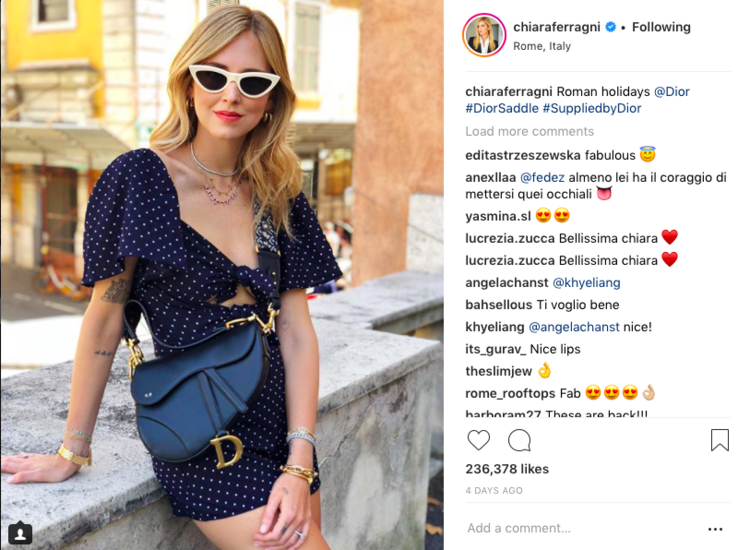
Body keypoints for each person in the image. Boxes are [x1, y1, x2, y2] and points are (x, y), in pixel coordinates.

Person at [0, 6, 342, 550]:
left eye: (253, 82)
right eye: (213, 76)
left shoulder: (279, 191)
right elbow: (105, 319)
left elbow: (296, 331)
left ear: (272, 99)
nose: (231, 95)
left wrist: (301, 454)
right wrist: (72, 449)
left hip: (285, 437)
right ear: (187, 82)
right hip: (206, 439)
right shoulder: (141, 178)